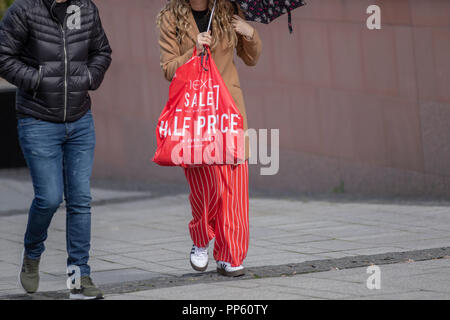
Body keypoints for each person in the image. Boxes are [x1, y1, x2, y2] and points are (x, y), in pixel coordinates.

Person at [0, 0, 112, 299]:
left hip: (79, 121)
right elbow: (4, 56)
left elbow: (102, 51)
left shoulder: (86, 9)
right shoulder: (24, 10)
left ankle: (79, 277)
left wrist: (89, 77)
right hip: (38, 120)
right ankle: (32, 252)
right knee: (49, 198)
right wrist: (37, 80)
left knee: (80, 200)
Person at [157, 0, 262, 277]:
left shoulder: (229, 9)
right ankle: (201, 238)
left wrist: (249, 33)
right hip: (196, 110)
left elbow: (251, 59)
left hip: (228, 109)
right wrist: (194, 51)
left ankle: (231, 255)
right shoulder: (171, 17)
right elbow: (169, 68)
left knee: (235, 186)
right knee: (207, 185)